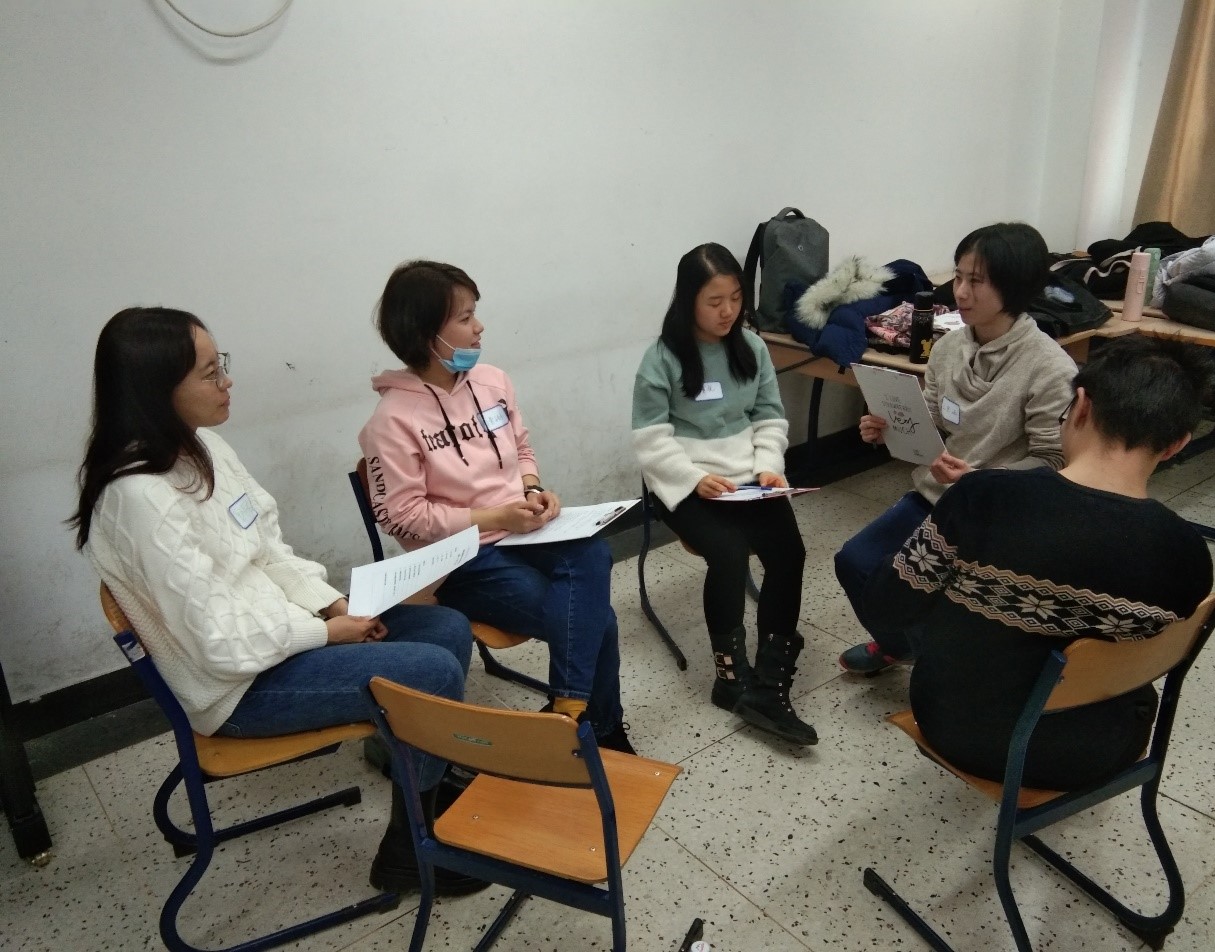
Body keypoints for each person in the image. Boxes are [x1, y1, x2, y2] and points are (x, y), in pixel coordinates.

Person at [72, 307, 485, 896]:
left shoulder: (203, 447)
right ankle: (408, 852)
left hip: (276, 638)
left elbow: (267, 551)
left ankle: (419, 778)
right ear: (156, 390)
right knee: (432, 670)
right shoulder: (140, 498)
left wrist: (331, 606)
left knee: (445, 627)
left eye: (221, 365)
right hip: (235, 687)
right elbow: (219, 643)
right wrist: (326, 633)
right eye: (209, 373)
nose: (227, 382)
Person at [860, 336, 1214, 787]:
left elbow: (886, 605)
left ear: (1080, 406)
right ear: (1177, 444)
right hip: (1098, 749)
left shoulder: (985, 496)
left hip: (957, 726)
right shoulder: (1187, 551)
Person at [357, 260, 632, 753]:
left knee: (593, 551)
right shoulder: (391, 422)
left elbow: (522, 448)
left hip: (524, 530)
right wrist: (494, 518)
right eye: (465, 318)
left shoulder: (492, 382)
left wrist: (532, 489)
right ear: (426, 334)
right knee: (598, 620)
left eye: (475, 313)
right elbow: (402, 516)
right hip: (462, 557)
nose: (479, 326)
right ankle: (596, 728)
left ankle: (569, 711)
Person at [836, 222, 1078, 674]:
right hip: (940, 496)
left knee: (945, 599)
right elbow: (932, 420)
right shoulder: (948, 347)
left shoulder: (1050, 368)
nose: (960, 292)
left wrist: (981, 479)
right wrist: (888, 428)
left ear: (1015, 286)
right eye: (959, 276)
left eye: (976, 281)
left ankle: (940, 668)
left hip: (999, 512)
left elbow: (1055, 462)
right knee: (855, 562)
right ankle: (903, 645)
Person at [632, 243, 816, 746]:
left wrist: (769, 467)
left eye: (735, 298)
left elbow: (769, 416)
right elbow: (650, 438)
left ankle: (770, 682)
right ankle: (730, 678)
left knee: (790, 553)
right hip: (686, 481)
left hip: (749, 478)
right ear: (688, 300)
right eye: (714, 301)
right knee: (729, 554)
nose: (728, 311)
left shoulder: (751, 346)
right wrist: (692, 477)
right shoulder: (662, 358)